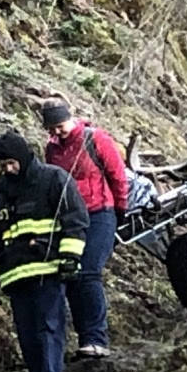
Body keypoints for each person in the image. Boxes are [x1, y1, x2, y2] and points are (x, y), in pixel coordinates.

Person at [0, 131, 88, 372]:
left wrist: (69, 258)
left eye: (11, 163)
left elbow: (75, 220)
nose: (7, 169)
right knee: (28, 341)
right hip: (16, 277)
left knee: (49, 333)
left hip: (47, 272)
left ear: (23, 157)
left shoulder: (53, 179)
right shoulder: (3, 191)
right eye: (3, 164)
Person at [43, 100, 127, 358]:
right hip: (71, 218)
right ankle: (84, 339)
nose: (58, 132)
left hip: (101, 212)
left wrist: (120, 210)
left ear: (70, 118)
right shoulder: (52, 149)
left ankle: (96, 339)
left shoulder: (96, 139)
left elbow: (117, 175)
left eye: (60, 126)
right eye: (51, 129)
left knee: (89, 272)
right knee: (71, 274)